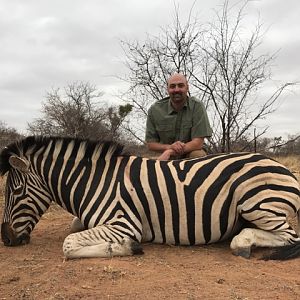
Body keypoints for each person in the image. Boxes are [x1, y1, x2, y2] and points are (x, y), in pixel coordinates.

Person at [145, 73, 212, 160]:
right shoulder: (154, 110)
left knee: (198, 155)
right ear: (167, 89)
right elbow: (151, 144)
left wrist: (171, 151)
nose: (176, 90)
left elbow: (198, 143)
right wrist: (168, 148)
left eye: (180, 86)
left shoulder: (197, 106)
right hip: (166, 156)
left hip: (190, 155)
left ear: (187, 88)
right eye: (172, 86)